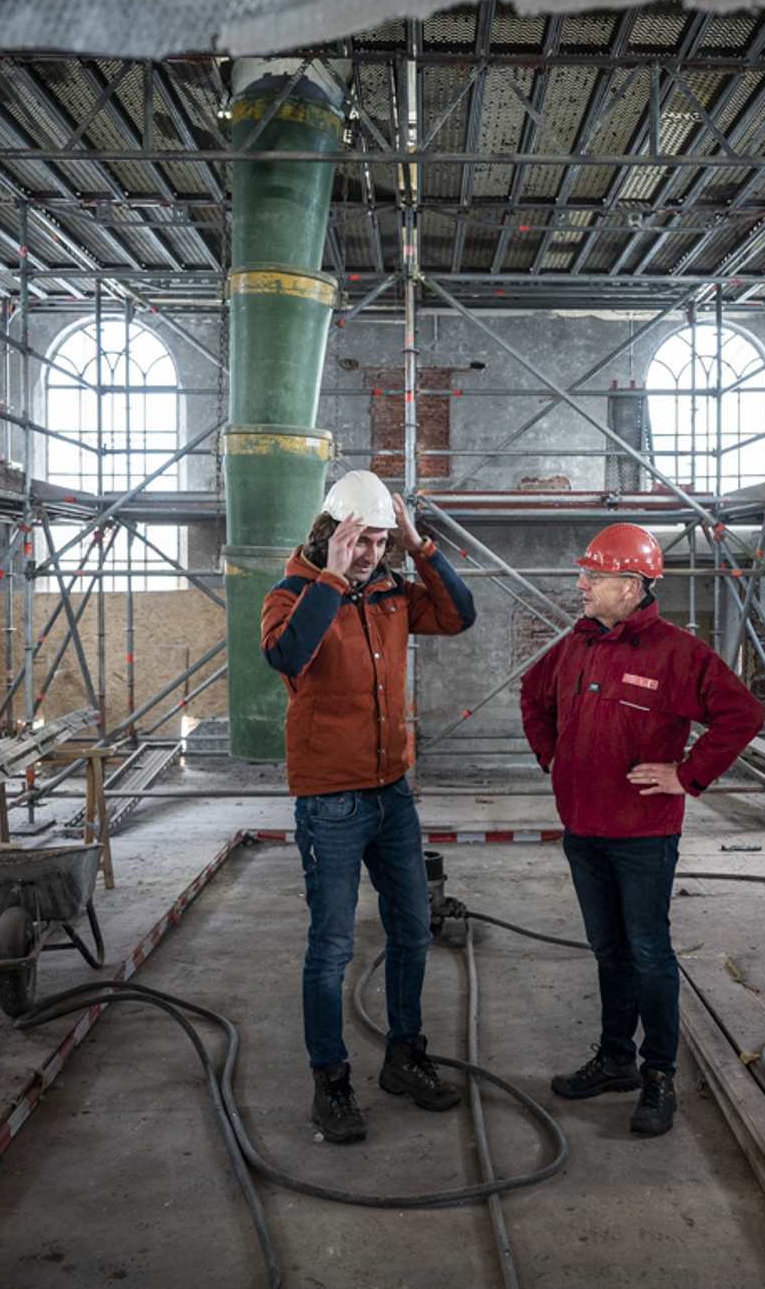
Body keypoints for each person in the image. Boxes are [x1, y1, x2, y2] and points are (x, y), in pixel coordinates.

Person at [519, 523, 765, 1137]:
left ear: (631, 587)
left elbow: (743, 713)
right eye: (585, 574)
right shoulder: (576, 645)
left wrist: (688, 774)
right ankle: (615, 1059)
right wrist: (552, 757)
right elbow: (532, 693)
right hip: (583, 830)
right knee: (609, 952)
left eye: (593, 576)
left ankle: (659, 1077)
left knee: (649, 953)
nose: (582, 584)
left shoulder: (677, 653)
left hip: (642, 836)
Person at [262, 469, 477, 1143]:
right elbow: (289, 653)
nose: (370, 554)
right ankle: (331, 1083)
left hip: (392, 793)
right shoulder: (291, 593)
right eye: (361, 540)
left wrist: (419, 546)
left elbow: (458, 613)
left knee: (413, 929)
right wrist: (330, 577)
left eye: (380, 541)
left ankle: (404, 1056)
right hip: (331, 801)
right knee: (330, 948)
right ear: (330, 533)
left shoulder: (392, 590)